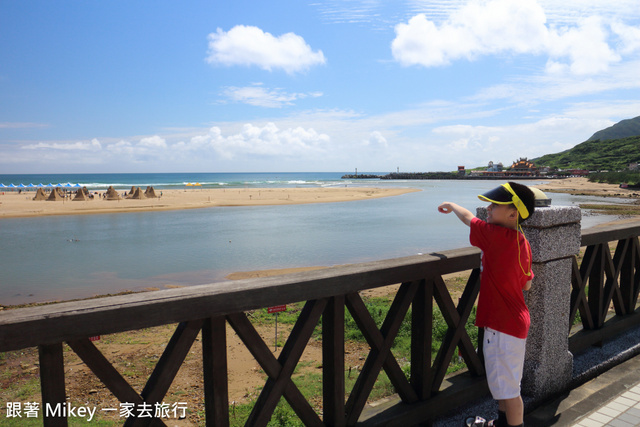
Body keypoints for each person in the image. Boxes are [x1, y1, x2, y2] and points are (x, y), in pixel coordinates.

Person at [438, 182, 536, 427]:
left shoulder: (495, 236)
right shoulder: (521, 241)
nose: (488, 209)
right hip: (513, 320)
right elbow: (527, 285)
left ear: (512, 214)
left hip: (503, 325)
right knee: (504, 383)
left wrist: (451, 205)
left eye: (495, 205)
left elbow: (469, 218)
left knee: (510, 390)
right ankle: (500, 423)